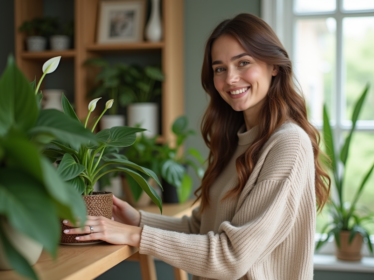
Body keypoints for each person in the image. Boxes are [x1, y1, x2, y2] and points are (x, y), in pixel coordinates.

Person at [64, 13, 331, 280]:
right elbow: (200, 228)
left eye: (243, 63)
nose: (230, 79)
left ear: (274, 66)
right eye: (220, 68)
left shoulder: (288, 144)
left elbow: (232, 258)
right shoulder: (236, 140)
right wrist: (137, 219)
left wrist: (135, 235)